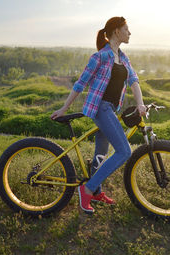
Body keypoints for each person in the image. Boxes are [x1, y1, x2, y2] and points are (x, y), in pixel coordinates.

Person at [51, 16, 147, 214]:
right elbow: (80, 84)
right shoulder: (100, 57)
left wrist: (140, 104)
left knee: (100, 155)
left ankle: (95, 192)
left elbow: (134, 81)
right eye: (127, 29)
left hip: (111, 110)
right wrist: (63, 109)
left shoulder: (123, 57)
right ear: (116, 31)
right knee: (124, 151)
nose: (130, 33)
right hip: (101, 108)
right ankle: (86, 190)